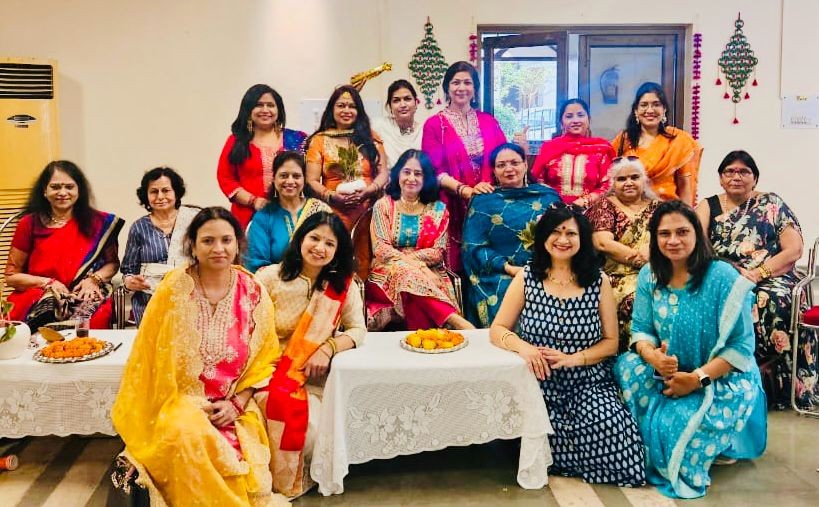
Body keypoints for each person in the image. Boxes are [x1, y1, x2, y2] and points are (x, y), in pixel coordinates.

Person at [112, 207, 287, 506]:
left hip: (232, 407)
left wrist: (237, 403)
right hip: (177, 401)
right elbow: (147, 357)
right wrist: (187, 405)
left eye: (226, 240)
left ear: (238, 244)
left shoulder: (253, 292)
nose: (218, 248)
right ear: (192, 245)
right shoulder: (173, 289)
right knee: (187, 434)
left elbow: (265, 360)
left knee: (233, 456)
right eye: (208, 241)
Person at [614, 200, 767, 499]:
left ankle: (712, 444)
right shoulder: (650, 274)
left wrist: (696, 379)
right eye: (664, 234)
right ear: (655, 238)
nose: (673, 240)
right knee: (628, 366)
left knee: (679, 428)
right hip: (666, 373)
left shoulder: (722, 277)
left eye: (682, 232)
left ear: (697, 233)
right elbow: (641, 329)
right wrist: (652, 356)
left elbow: (741, 348)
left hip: (718, 377)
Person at [489, 205, 645, 487]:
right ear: (543, 238)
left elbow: (611, 343)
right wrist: (525, 348)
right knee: (540, 435)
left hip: (587, 380)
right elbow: (498, 329)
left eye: (571, 233)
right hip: (538, 381)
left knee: (611, 428)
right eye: (556, 232)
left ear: (582, 239)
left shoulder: (598, 281)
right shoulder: (527, 277)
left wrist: (575, 358)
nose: (563, 239)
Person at [254, 212, 365, 498]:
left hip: (312, 376)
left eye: (329, 243)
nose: (320, 248)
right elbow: (247, 328)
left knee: (313, 430)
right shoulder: (270, 278)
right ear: (300, 238)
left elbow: (357, 330)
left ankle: (296, 479)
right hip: (266, 370)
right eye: (314, 238)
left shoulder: (342, 286)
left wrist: (327, 349)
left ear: (338, 250)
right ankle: (271, 482)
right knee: (271, 419)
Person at [695, 150, 813, 408]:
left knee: (771, 297)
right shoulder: (707, 206)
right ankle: (726, 377)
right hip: (724, 275)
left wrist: (759, 273)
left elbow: (793, 250)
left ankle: (776, 386)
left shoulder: (772, 204)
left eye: (743, 172)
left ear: (755, 178)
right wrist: (729, 272)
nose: (736, 177)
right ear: (720, 178)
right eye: (729, 171)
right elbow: (697, 247)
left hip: (773, 274)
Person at [4, 161, 124, 329]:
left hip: (84, 291)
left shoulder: (99, 223)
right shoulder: (28, 223)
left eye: (69, 187)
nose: (62, 193)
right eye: (55, 187)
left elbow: (112, 263)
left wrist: (94, 279)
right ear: (44, 190)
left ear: (79, 190)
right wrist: (48, 283)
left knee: (93, 318)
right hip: (39, 292)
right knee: (36, 317)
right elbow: (11, 276)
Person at [366, 149, 473, 331]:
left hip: (431, 269)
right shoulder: (383, 205)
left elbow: (437, 252)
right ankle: (455, 321)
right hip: (387, 269)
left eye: (418, 174)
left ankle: (419, 338)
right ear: (398, 174)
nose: (411, 178)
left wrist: (419, 266)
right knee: (405, 274)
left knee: (411, 287)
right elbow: (381, 249)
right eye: (407, 172)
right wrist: (419, 268)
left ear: (426, 178)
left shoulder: (437, 209)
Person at [421, 61, 511, 271]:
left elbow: (503, 158)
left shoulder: (488, 121)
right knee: (458, 265)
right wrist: (465, 191)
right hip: (452, 202)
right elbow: (434, 171)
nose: (462, 88)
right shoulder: (435, 125)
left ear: (475, 88)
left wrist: (485, 188)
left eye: (467, 83)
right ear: (447, 87)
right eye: (456, 83)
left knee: (491, 261)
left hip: (489, 199)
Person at [462, 143, 561, 327]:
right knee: (508, 294)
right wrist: (508, 268)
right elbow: (474, 248)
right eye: (501, 165)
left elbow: (562, 237)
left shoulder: (548, 197)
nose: (509, 169)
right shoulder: (483, 201)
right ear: (494, 171)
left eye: (514, 163)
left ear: (525, 164)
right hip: (497, 273)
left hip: (545, 270)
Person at [305, 85, 388, 279]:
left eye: (352, 106)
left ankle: (365, 295)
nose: (346, 110)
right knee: (335, 265)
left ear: (359, 111)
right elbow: (311, 180)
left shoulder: (370, 138)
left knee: (366, 263)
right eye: (341, 105)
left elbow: (383, 173)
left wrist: (370, 190)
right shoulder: (319, 140)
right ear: (332, 109)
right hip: (334, 211)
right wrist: (332, 197)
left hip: (367, 211)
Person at [585, 157, 660, 350]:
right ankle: (635, 351)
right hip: (617, 277)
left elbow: (668, 237)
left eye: (634, 177)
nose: (628, 183)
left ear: (644, 180)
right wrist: (641, 258)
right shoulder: (605, 205)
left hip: (657, 272)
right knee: (637, 300)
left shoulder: (659, 207)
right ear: (613, 183)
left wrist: (651, 255)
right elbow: (602, 243)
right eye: (621, 179)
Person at [217, 84, 308, 229]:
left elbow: (311, 174)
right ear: (248, 110)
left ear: (278, 110)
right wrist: (254, 201)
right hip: (248, 215)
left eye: (270, 105)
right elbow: (225, 178)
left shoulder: (297, 139)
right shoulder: (236, 141)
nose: (265, 110)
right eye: (259, 105)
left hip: (292, 213)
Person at [121, 167, 198, 325]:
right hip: (149, 302)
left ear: (176, 192)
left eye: (166, 190)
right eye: (154, 192)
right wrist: (130, 281)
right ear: (146, 195)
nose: (160, 196)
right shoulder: (139, 227)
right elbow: (128, 269)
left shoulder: (194, 221)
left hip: (190, 299)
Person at [612, 82, 702, 205]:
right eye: (644, 105)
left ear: (664, 109)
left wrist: (687, 215)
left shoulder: (679, 140)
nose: (650, 110)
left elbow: (685, 186)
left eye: (656, 104)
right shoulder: (624, 139)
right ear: (636, 110)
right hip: (629, 210)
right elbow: (609, 178)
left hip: (666, 210)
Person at [245, 151, 331, 273]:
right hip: (276, 282)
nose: (290, 181)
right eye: (284, 176)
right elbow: (256, 265)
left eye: (296, 176)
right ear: (274, 179)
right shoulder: (264, 217)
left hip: (319, 280)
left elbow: (335, 251)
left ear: (304, 180)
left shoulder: (320, 211)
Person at [531, 98, 615, 207]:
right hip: (553, 209)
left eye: (580, 115)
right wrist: (555, 205)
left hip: (591, 210)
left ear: (588, 120)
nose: (575, 120)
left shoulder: (601, 149)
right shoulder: (549, 148)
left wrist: (584, 202)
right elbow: (538, 182)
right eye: (569, 116)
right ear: (561, 123)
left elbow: (608, 184)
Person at [371, 79, 422, 168]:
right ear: (390, 106)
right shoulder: (379, 125)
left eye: (407, 99)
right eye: (396, 100)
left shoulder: (424, 131)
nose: (403, 105)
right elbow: (355, 124)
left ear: (416, 103)